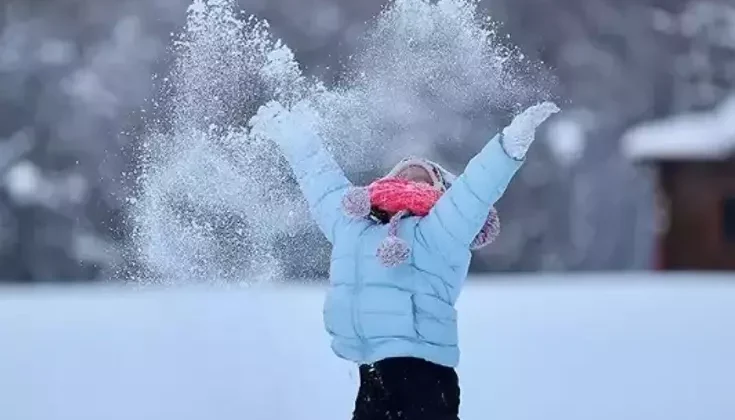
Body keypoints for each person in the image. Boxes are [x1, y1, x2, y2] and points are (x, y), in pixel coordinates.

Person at [249, 99, 559, 420]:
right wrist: (296, 139)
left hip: (424, 372)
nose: (413, 177)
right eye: (404, 174)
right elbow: (322, 183)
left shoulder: (441, 230)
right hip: (372, 372)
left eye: (425, 177)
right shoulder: (353, 225)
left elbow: (475, 190)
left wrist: (508, 146)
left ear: (442, 194)